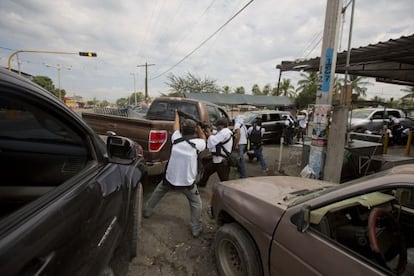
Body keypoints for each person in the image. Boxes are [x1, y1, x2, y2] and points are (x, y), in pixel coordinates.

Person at [143, 110, 206, 238]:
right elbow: (204, 138)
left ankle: (147, 211)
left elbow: (175, 126)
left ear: (183, 130)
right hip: (187, 183)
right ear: (194, 131)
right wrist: (200, 127)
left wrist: (177, 114)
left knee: (158, 192)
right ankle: (196, 229)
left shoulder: (176, 139)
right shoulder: (198, 144)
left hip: (169, 179)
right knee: (196, 204)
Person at [197, 118, 233, 187]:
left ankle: (228, 193)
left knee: (225, 181)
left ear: (222, 126)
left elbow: (213, 140)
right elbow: (215, 134)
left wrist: (209, 133)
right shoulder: (223, 132)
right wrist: (206, 128)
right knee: (207, 170)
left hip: (222, 161)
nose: (216, 127)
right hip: (217, 159)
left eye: (218, 125)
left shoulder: (225, 132)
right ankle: (202, 184)